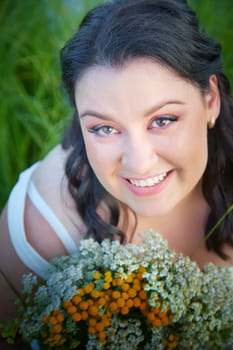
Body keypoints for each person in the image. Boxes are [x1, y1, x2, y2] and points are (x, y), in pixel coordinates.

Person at [0, 0, 233, 348]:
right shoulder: (43, 224)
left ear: (210, 99)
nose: (138, 164)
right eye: (104, 128)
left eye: (162, 120)